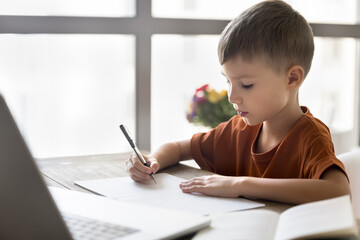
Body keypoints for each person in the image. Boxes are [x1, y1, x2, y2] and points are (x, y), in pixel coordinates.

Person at [126, 0, 350, 204]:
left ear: (292, 78)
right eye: (228, 82)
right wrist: (151, 161)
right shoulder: (236, 131)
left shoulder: (310, 137)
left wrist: (240, 184)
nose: (232, 97)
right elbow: (176, 149)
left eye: (247, 85)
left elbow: (337, 190)